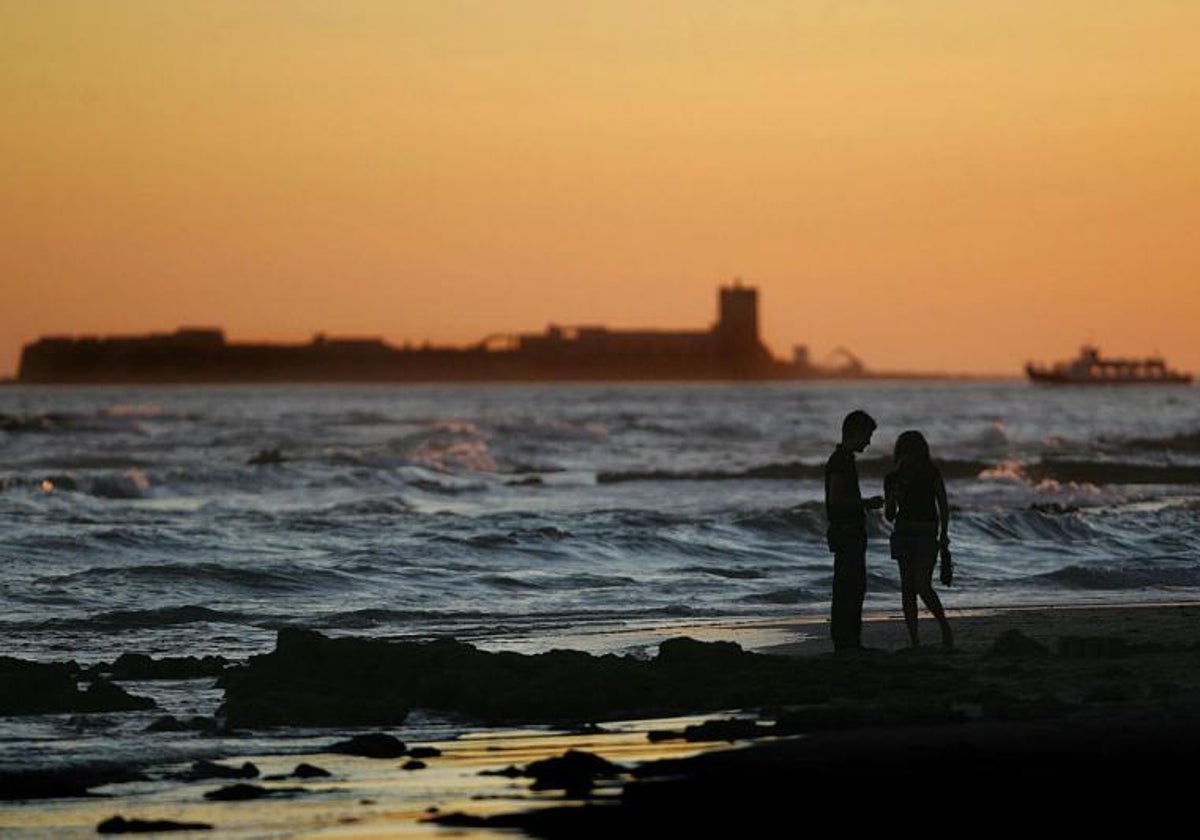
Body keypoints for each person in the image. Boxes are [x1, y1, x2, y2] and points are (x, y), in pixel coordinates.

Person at [884, 430, 954, 649]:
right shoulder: (893, 478)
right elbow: (890, 515)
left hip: (925, 533)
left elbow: (943, 504)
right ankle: (915, 641)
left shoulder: (931, 473)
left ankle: (944, 628)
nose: (907, 455)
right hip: (904, 532)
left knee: (922, 585)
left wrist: (944, 535)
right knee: (907, 588)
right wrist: (893, 496)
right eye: (904, 451)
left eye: (910, 451)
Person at [824, 410, 884, 652]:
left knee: (851, 586)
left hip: (848, 531)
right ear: (856, 433)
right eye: (867, 436)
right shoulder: (841, 461)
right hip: (847, 531)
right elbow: (836, 500)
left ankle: (849, 641)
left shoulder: (843, 459)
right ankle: (847, 642)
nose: (868, 442)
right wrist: (865, 503)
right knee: (850, 587)